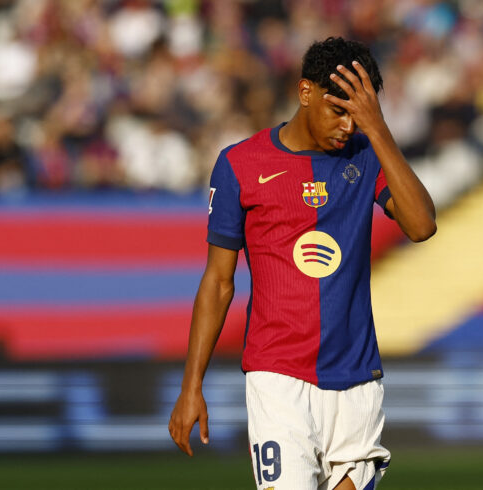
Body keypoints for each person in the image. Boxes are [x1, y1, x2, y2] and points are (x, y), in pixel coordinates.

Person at [168, 37, 436, 490]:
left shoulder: (367, 154)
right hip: (278, 381)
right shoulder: (240, 164)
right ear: (305, 92)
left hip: (356, 381)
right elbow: (218, 283)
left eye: (360, 113)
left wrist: (380, 130)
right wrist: (191, 384)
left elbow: (421, 225)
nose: (349, 126)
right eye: (339, 111)